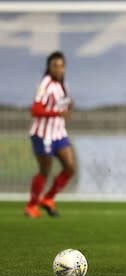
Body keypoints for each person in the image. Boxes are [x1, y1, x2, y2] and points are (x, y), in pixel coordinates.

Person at [24, 51, 76, 218]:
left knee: (70, 167)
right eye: (55, 66)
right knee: (45, 171)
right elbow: (36, 109)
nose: (59, 69)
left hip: (59, 133)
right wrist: (57, 114)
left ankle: (48, 198)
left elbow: (61, 106)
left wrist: (68, 106)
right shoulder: (44, 85)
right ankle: (31, 206)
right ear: (49, 68)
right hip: (43, 134)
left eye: (61, 66)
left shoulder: (62, 85)